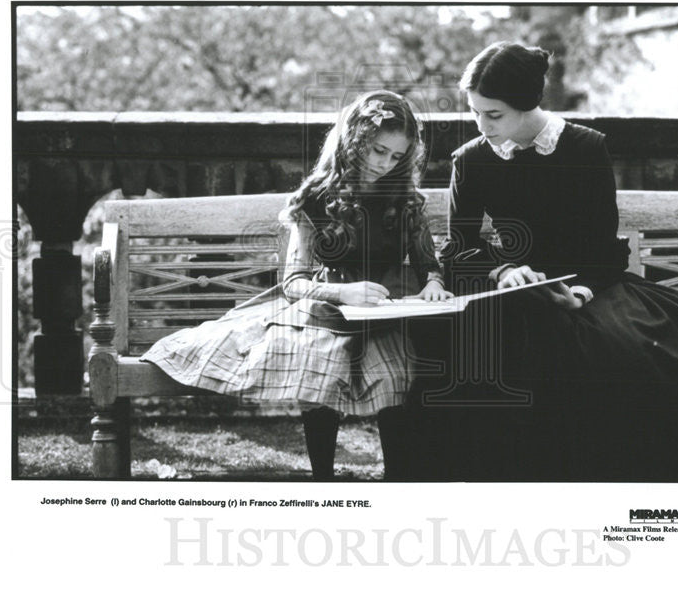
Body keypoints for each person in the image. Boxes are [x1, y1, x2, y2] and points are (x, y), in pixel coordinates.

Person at [406, 41, 678, 482]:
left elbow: (603, 249)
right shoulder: (470, 160)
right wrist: (505, 269)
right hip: (510, 292)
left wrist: (581, 292)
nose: (481, 125)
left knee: (620, 352)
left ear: (528, 105)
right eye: (475, 112)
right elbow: (459, 246)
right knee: (473, 350)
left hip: (592, 287)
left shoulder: (585, 149)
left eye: (493, 114)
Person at [141, 91, 451, 480]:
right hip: (327, 311)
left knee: (394, 373)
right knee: (317, 364)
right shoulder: (316, 200)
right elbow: (294, 283)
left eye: (395, 157)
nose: (384, 164)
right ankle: (322, 478)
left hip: (386, 315)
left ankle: (397, 479)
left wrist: (434, 284)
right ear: (353, 141)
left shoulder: (405, 200)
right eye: (377, 150)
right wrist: (343, 293)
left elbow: (428, 264)